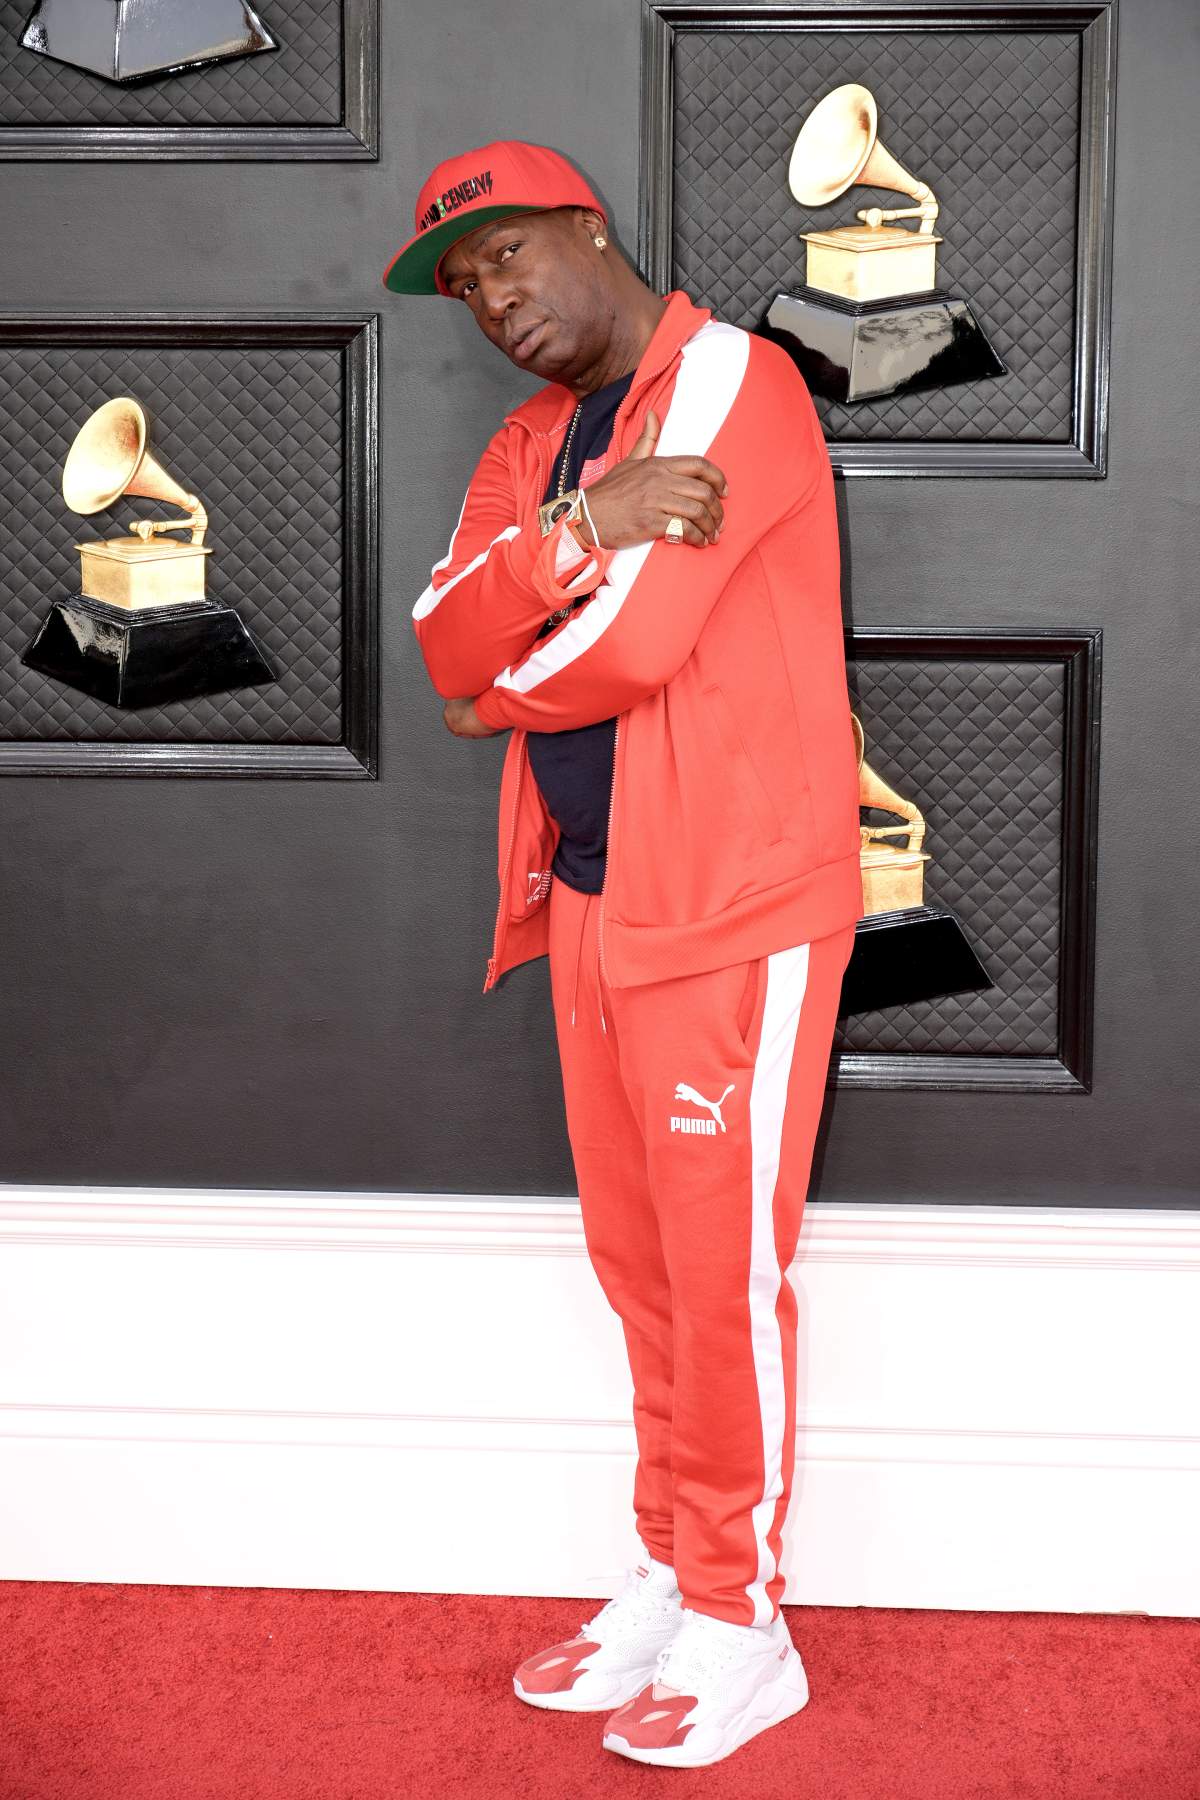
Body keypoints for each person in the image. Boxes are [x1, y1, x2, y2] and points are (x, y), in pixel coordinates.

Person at [383, 138, 863, 1769]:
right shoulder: (542, 443)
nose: (492, 302)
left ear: (587, 226)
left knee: (721, 1281)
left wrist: (495, 689)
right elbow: (446, 620)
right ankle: (671, 1567)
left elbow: (630, 643)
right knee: (641, 1269)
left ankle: (744, 1617)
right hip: (589, 895)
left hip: (731, 908)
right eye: (463, 288)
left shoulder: (735, 378)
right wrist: (581, 522)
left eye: (509, 256)